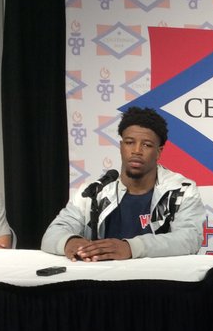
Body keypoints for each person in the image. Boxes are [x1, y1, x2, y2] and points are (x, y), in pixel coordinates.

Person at [41, 106, 204, 261]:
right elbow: (51, 235)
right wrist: (71, 242)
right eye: (129, 142)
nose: (137, 151)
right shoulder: (94, 191)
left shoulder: (181, 190)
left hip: (161, 283)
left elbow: (189, 239)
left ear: (159, 151)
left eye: (146, 145)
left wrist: (131, 248)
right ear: (121, 146)